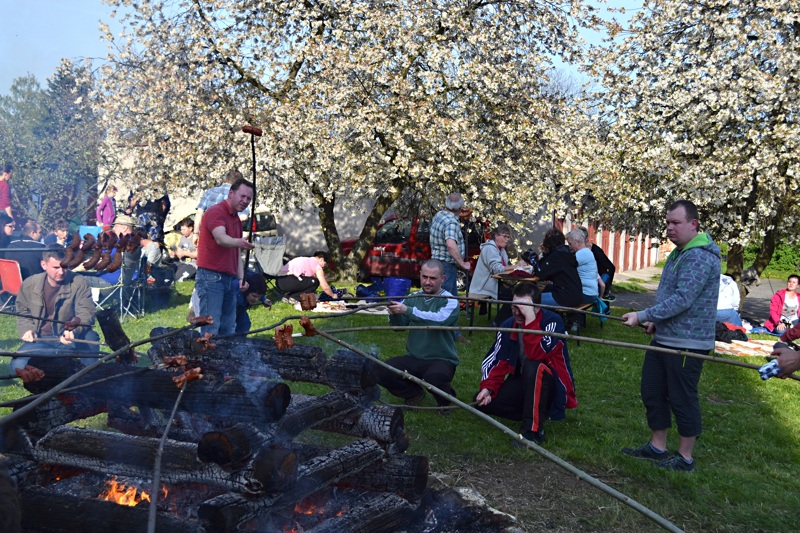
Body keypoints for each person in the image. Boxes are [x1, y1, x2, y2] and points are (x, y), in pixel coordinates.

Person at [621, 199, 720, 472]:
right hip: (665, 338)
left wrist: (644, 315)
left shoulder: (700, 256)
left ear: (693, 224)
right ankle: (657, 447)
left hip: (688, 343)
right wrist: (656, 321)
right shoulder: (679, 253)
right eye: (667, 222)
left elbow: (683, 299)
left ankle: (685, 458)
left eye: (675, 222)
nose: (669, 228)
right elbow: (672, 298)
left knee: (681, 397)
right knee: (652, 390)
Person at [475, 282, 577, 444]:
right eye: (514, 307)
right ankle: (531, 409)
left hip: (550, 384)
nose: (517, 312)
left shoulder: (553, 322)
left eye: (522, 308)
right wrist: (488, 388)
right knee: (482, 402)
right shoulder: (508, 325)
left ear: (536, 308)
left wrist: (530, 319)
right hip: (523, 380)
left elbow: (537, 354)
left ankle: (533, 430)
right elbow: (497, 360)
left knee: (533, 366)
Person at [378, 259, 460, 407]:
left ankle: (446, 401)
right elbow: (398, 327)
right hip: (414, 358)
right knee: (382, 370)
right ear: (420, 275)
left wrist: (408, 311)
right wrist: (394, 314)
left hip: (441, 359)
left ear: (443, 279)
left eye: (433, 278)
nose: (427, 282)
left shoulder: (450, 300)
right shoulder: (413, 298)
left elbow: (439, 321)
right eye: (424, 277)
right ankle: (413, 393)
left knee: (434, 378)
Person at [11, 246, 99, 373]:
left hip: (71, 337)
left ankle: (82, 371)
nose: (61, 272)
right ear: (44, 265)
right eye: (56, 268)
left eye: (65, 267)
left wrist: (73, 330)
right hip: (41, 339)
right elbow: (23, 311)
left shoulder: (79, 282)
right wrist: (27, 329)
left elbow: (86, 312)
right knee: (17, 367)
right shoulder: (29, 284)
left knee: (89, 360)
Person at [195, 177, 255, 335]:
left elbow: (236, 252)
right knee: (211, 327)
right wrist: (239, 242)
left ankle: (225, 352)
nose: (245, 201)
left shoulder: (236, 220)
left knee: (228, 328)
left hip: (229, 279)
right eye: (242, 196)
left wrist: (241, 278)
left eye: (249, 198)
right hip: (211, 278)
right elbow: (221, 239)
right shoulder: (216, 212)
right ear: (231, 193)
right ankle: (206, 351)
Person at [430, 192, 470, 343]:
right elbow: (451, 244)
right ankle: (442, 334)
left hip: (437, 263)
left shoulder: (439, 215)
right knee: (447, 301)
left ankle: (453, 333)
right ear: (460, 207)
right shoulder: (452, 223)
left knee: (448, 299)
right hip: (446, 265)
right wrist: (462, 263)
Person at [468, 223, 517, 324]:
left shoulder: (501, 250)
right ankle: (498, 323)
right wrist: (516, 266)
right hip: (484, 285)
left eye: (508, 237)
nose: (507, 239)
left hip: (493, 283)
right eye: (505, 236)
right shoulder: (490, 249)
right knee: (514, 297)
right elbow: (498, 270)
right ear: (496, 236)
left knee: (516, 292)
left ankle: (509, 321)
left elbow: (504, 268)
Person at [195, 170, 251, 243]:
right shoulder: (237, 195)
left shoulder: (210, 191)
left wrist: (196, 233)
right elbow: (243, 217)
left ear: (226, 179)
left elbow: (199, 213)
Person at [536, 228, 583, 309]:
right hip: (576, 295)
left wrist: (544, 253)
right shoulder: (566, 252)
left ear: (548, 243)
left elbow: (541, 273)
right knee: (548, 288)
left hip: (565, 297)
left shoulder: (557, 255)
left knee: (530, 300)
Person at [566, 229, 603, 304]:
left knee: (546, 298)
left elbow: (565, 266)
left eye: (570, 244)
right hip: (591, 294)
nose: (569, 247)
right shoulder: (587, 252)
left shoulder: (581, 253)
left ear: (577, 242)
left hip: (585, 294)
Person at [578, 227, 616, 300]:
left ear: (586, 240)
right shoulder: (577, 251)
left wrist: (606, 289)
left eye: (579, 241)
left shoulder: (597, 252)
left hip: (598, 285)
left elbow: (611, 268)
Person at [171, 217, 198, 281]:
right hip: (181, 262)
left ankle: (193, 276)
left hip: (192, 264)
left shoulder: (196, 239)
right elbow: (179, 249)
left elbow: (198, 254)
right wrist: (175, 253)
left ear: (190, 228)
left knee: (178, 278)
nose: (182, 231)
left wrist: (184, 253)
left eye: (184, 229)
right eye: (181, 230)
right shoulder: (183, 238)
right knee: (168, 272)